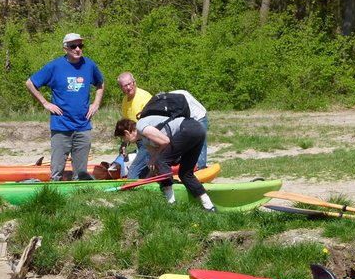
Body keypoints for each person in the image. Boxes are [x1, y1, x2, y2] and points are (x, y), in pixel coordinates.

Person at [25, 33, 105, 181]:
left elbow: (100, 83)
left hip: (83, 125)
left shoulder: (89, 65)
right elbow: (30, 83)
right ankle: (54, 198)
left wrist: (96, 104)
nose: (77, 49)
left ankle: (79, 199)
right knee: (56, 172)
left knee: (81, 174)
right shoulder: (55, 66)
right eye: (73, 46)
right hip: (61, 126)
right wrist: (45, 103)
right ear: (65, 49)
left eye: (80, 46)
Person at [114, 109, 216, 212]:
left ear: (127, 133)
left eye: (122, 138)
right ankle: (209, 206)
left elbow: (165, 142)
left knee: (162, 160)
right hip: (198, 130)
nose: (125, 142)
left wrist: (155, 159)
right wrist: (148, 178)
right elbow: (154, 164)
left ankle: (171, 203)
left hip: (189, 128)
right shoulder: (145, 141)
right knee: (185, 173)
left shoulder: (141, 126)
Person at [117, 72, 152, 179]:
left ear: (134, 82)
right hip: (137, 138)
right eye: (125, 86)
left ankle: (133, 187)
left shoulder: (144, 97)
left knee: (135, 169)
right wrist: (123, 144)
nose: (128, 87)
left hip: (149, 138)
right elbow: (126, 124)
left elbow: (151, 122)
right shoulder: (124, 100)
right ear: (121, 88)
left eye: (130, 84)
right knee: (144, 169)